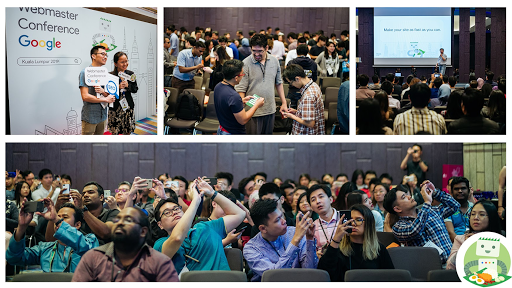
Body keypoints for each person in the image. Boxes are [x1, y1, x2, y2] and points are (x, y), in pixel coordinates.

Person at [154, 178, 246, 272]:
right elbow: (177, 238)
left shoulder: (206, 227)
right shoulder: (160, 244)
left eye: (176, 209)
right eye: (167, 213)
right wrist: (196, 201)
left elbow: (240, 214)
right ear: (160, 224)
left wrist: (212, 193)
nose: (174, 213)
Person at [72, 207, 179, 281]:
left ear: (143, 231)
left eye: (128, 220)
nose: (119, 223)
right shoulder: (93, 258)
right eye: (117, 220)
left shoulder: (160, 262)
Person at [6, 199, 99, 272]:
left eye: (64, 217)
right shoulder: (45, 248)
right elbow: (14, 258)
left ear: (77, 225)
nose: (57, 221)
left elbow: (86, 248)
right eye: (58, 217)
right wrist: (22, 226)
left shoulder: (90, 240)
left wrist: (58, 220)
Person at [383, 180, 460, 264]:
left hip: (453, 262)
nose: (409, 197)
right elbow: (416, 230)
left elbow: (455, 205)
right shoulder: (398, 227)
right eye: (404, 197)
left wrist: (434, 192)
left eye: (407, 194)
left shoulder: (432, 211)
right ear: (397, 209)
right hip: (429, 269)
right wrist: (427, 202)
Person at [243, 199, 318, 281]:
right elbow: (274, 277)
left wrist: (310, 240)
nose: (284, 221)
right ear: (263, 228)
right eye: (278, 220)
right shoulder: (251, 249)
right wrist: (295, 241)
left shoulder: (293, 232)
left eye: (282, 216)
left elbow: (310, 271)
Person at [317, 204, 394, 281]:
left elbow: (391, 278)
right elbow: (324, 275)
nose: (353, 223)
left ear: (368, 223)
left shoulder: (379, 250)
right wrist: (336, 239)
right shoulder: (338, 249)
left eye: (358, 220)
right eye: (350, 220)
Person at [235, 34, 288, 134]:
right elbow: (241, 89)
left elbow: (279, 83)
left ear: (267, 48)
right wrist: (242, 108)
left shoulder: (274, 61)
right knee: (253, 145)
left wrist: (284, 103)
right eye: (254, 50)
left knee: (266, 143)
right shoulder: (245, 63)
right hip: (252, 112)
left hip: (270, 110)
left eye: (260, 51)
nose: (256, 54)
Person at [446, 200, 503, 270]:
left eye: (482, 214)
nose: (475, 217)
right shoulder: (461, 239)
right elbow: (450, 267)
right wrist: (466, 246)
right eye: (473, 214)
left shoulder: (500, 240)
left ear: (492, 218)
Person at [214, 59, 265, 135]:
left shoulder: (218, 86)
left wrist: (241, 100)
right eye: (242, 74)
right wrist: (256, 105)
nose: (243, 76)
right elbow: (243, 120)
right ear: (236, 78)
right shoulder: (234, 96)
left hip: (222, 129)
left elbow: (227, 105)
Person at [79, 45, 116, 135]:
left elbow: (108, 94)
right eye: (102, 54)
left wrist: (103, 92)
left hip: (103, 115)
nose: (105, 57)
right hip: (90, 116)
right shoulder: (85, 73)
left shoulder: (105, 73)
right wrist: (105, 99)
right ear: (93, 56)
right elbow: (85, 96)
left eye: (106, 55)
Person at [282, 64, 325, 135]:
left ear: (297, 79)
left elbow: (310, 123)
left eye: (291, 82)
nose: (292, 85)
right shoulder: (314, 85)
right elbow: (312, 113)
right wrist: (296, 112)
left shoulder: (308, 96)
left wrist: (292, 116)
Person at [108, 52, 138, 135]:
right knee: (115, 130)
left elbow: (135, 89)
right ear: (115, 63)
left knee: (127, 130)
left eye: (126, 61)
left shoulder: (131, 74)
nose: (125, 64)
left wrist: (128, 86)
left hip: (127, 106)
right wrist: (117, 87)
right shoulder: (111, 76)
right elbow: (107, 92)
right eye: (122, 62)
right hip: (115, 106)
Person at [307, 184, 340, 256]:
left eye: (321, 196)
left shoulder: (343, 219)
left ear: (331, 199)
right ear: (311, 207)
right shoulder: (312, 227)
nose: (317, 201)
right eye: (313, 199)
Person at [287, 44, 318, 109]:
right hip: (308, 91)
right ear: (307, 53)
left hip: (293, 91)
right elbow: (315, 78)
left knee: (291, 110)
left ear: (297, 52)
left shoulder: (291, 63)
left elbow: (287, 78)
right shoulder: (313, 64)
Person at [444, 177, 474, 242]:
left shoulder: (473, 207)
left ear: (469, 190)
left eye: (463, 188)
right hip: (456, 244)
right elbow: (450, 233)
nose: (460, 191)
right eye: (456, 189)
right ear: (451, 191)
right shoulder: (446, 209)